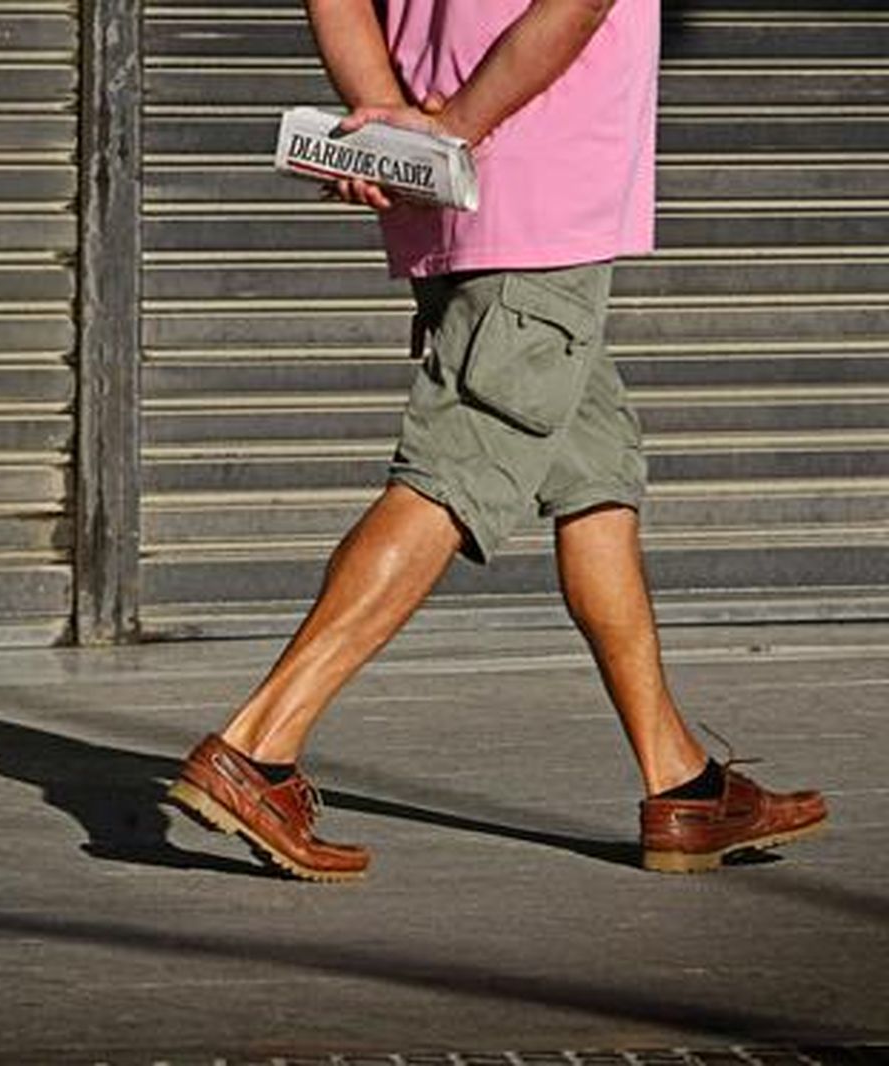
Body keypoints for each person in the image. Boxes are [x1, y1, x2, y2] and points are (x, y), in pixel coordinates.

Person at [166, 0, 827, 880]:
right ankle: (258, 747)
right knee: (457, 468)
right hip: (536, 189)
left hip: (452, 191)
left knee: (595, 471)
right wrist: (454, 132)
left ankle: (683, 785)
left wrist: (400, 138)